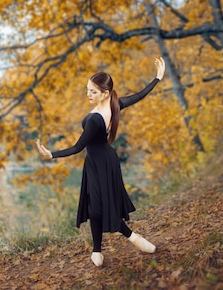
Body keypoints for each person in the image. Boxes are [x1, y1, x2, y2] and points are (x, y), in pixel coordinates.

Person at [35, 57, 165, 267]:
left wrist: (52, 154)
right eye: (87, 90)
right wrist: (157, 78)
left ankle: (134, 239)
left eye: (93, 92)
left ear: (105, 93)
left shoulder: (98, 118)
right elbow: (139, 95)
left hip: (103, 164)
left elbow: (78, 147)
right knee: (96, 207)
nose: (88, 94)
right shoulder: (115, 104)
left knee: (103, 207)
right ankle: (98, 250)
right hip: (98, 162)